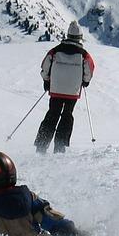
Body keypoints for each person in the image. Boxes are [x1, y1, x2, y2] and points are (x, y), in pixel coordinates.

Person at [34, 21, 95, 154]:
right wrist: (85, 81)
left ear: (67, 35)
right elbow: (89, 70)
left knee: (52, 114)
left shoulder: (55, 50)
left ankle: (41, 145)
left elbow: (45, 66)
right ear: (80, 37)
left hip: (55, 89)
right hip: (72, 91)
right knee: (67, 115)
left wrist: (47, 80)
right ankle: (60, 147)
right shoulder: (84, 54)